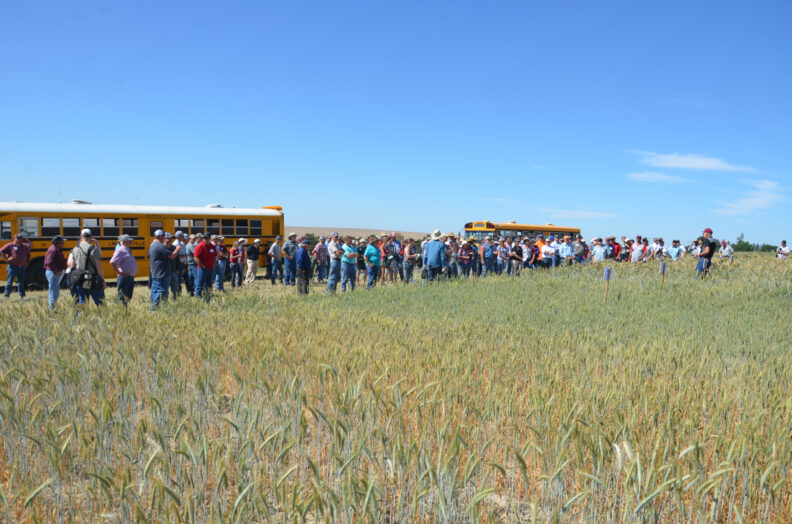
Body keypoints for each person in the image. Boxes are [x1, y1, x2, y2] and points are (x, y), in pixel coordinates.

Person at [70, 229, 106, 305]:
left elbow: (72, 265)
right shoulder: (93, 249)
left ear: (81, 236)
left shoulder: (75, 249)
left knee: (83, 303)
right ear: (91, 237)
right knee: (101, 304)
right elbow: (99, 267)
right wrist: (103, 280)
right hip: (93, 279)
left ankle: (82, 317)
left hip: (80, 279)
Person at [149, 230, 181, 309]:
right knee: (161, 291)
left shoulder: (152, 245)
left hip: (156, 272)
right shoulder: (160, 246)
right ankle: (157, 308)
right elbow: (172, 256)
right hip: (162, 272)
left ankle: (153, 306)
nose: (165, 237)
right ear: (160, 236)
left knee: (155, 290)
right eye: (163, 235)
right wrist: (177, 249)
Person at [109, 234, 137, 306]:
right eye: (129, 241)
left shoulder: (127, 250)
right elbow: (113, 262)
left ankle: (124, 311)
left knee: (128, 297)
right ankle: (119, 311)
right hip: (124, 278)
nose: (131, 242)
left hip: (130, 278)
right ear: (124, 241)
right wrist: (120, 273)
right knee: (121, 297)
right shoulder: (120, 251)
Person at [2, 234, 31, 299]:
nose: (20, 240)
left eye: (21, 239)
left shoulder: (24, 247)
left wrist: (27, 263)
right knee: (10, 281)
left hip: (22, 267)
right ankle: (6, 296)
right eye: (18, 238)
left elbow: (28, 256)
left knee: (21, 282)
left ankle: (22, 296)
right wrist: (7, 258)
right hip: (12, 267)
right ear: (14, 238)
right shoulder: (10, 245)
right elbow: (1, 252)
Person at [44, 235, 67, 309]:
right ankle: (52, 309)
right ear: (58, 243)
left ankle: (53, 308)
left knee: (55, 292)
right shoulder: (53, 250)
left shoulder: (56, 249)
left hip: (54, 272)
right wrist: (57, 271)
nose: (63, 243)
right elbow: (49, 262)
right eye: (62, 242)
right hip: (53, 273)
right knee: (53, 292)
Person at [193, 233, 216, 301]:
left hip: (210, 269)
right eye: (205, 238)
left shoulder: (212, 246)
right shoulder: (200, 246)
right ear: (203, 238)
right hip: (202, 269)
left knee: (209, 285)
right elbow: (196, 258)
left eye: (207, 238)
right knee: (199, 285)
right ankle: (198, 300)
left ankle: (207, 300)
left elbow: (214, 256)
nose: (206, 239)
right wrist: (202, 266)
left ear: (210, 239)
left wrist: (213, 265)